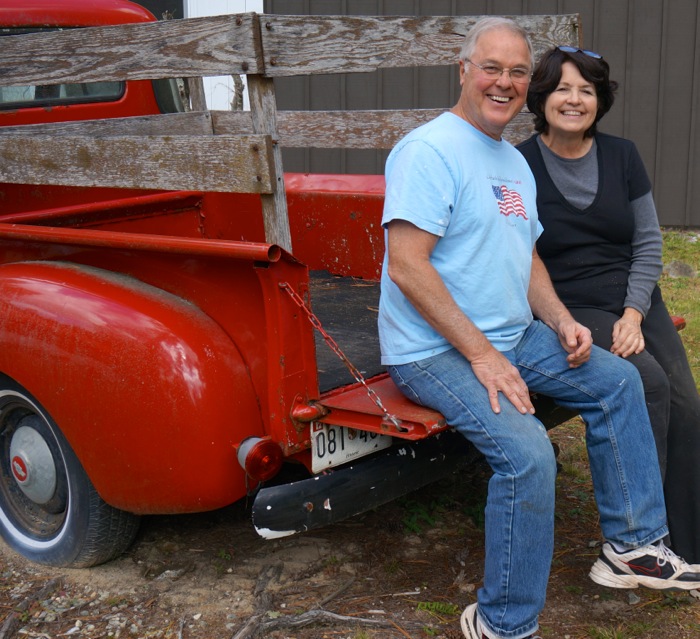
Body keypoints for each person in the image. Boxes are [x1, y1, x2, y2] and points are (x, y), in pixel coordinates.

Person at [378, 17, 700, 639]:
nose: (504, 82)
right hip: (435, 350)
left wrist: (561, 320)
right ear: (464, 69)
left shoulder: (511, 162)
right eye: (492, 68)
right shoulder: (429, 150)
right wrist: (482, 355)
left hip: (513, 334)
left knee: (620, 381)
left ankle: (633, 544)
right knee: (528, 457)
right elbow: (408, 267)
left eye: (518, 72)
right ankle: (504, 621)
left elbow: (524, 258)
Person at [517, 46, 700, 565]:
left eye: (586, 90)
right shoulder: (521, 165)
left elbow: (648, 242)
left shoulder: (623, 156)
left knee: (688, 404)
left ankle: (690, 544)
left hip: (633, 297)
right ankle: (645, 541)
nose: (574, 99)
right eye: (562, 89)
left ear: (599, 100)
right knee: (649, 384)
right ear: (542, 97)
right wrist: (567, 318)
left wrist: (635, 313)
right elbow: (521, 254)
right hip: (571, 305)